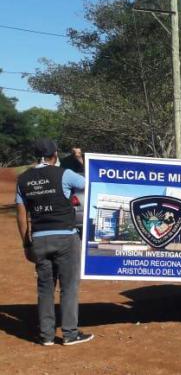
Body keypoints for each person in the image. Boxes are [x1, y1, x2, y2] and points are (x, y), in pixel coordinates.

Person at [15, 138, 94, 346]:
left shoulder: (23, 180)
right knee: (68, 287)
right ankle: (69, 333)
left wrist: (26, 243)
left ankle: (46, 335)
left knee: (45, 288)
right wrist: (79, 159)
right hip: (65, 237)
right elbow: (91, 182)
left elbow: (21, 215)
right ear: (55, 155)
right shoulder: (64, 174)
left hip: (39, 238)